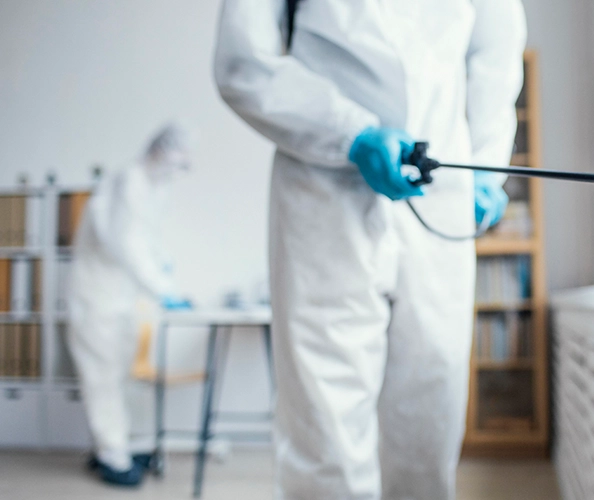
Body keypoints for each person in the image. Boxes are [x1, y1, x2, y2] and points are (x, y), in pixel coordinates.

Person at [214, 0, 525, 498]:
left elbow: (496, 54)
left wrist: (488, 167)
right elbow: (242, 61)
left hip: (441, 189)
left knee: (431, 400)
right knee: (324, 415)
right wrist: (350, 132)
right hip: (323, 188)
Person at [67, 123, 193, 486]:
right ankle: (112, 457)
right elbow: (126, 244)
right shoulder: (129, 182)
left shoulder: (149, 187)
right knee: (102, 378)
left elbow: (146, 240)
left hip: (117, 300)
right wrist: (162, 288)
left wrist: (165, 271)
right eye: (176, 162)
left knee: (119, 377)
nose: (177, 171)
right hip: (95, 301)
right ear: (159, 151)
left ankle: (113, 446)